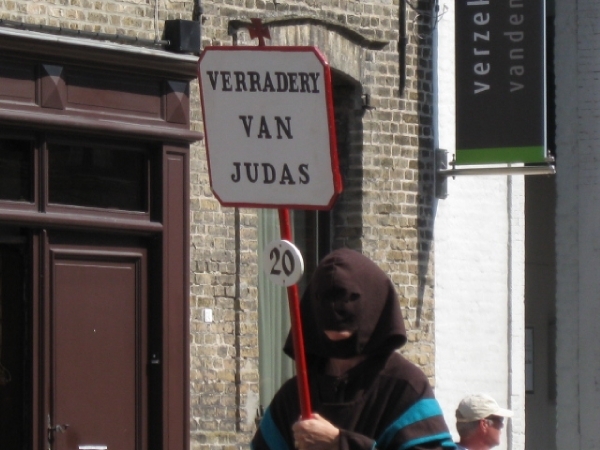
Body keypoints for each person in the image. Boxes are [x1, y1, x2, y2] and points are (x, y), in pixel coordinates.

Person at [251, 248, 456, 450]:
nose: (335, 311)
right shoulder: (293, 396)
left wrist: (340, 444)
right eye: (325, 299)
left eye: (348, 298)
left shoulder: (404, 387)